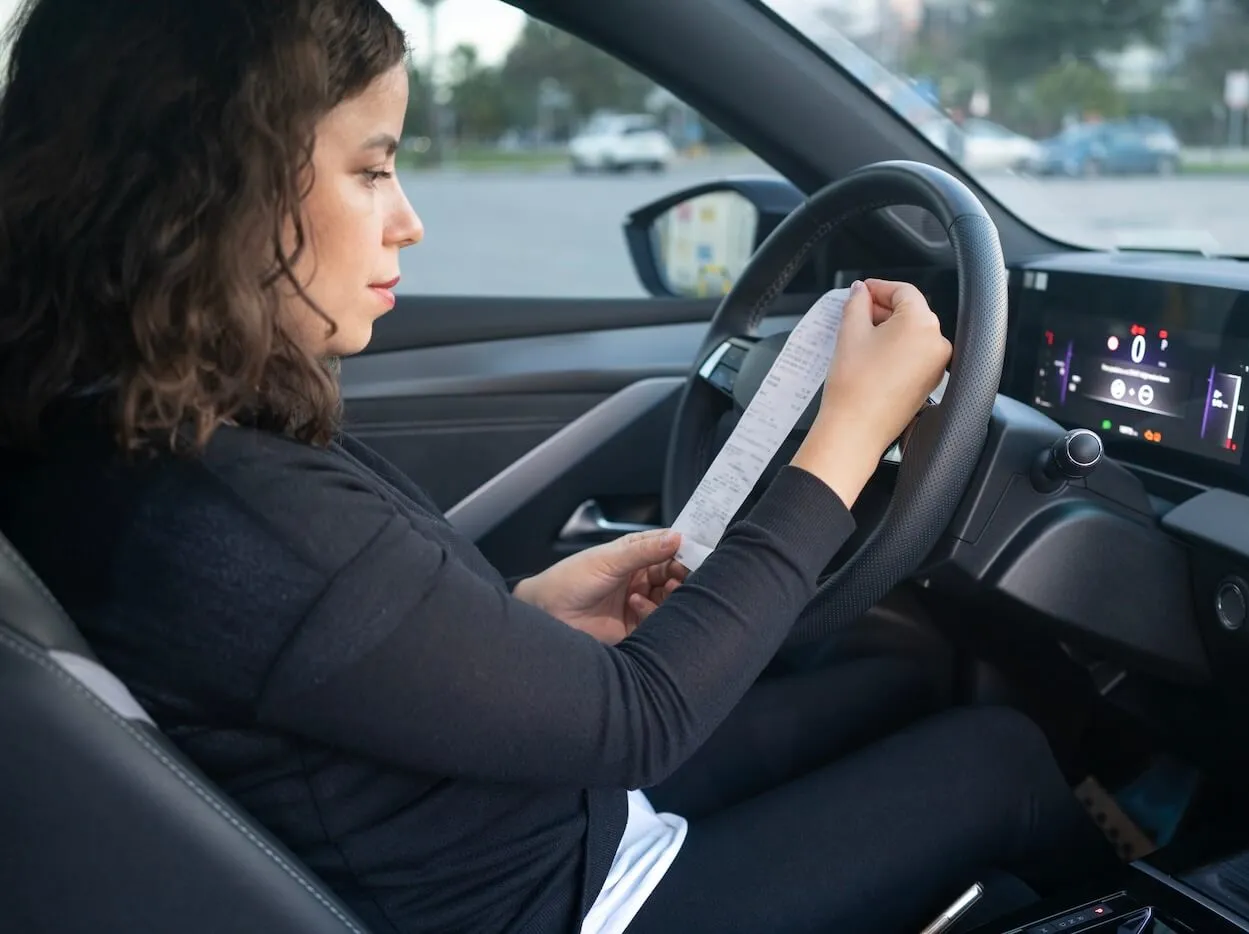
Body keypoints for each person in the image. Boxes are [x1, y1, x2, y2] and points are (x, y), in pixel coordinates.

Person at [0, 1, 1112, 933]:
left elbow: (318, 653)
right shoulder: (223, 513)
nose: (409, 223)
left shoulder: (127, 442)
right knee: (1000, 760)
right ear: (209, 192)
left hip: (521, 824)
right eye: (372, 169)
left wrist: (518, 613)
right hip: (561, 901)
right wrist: (847, 436)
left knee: (904, 679)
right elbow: (640, 717)